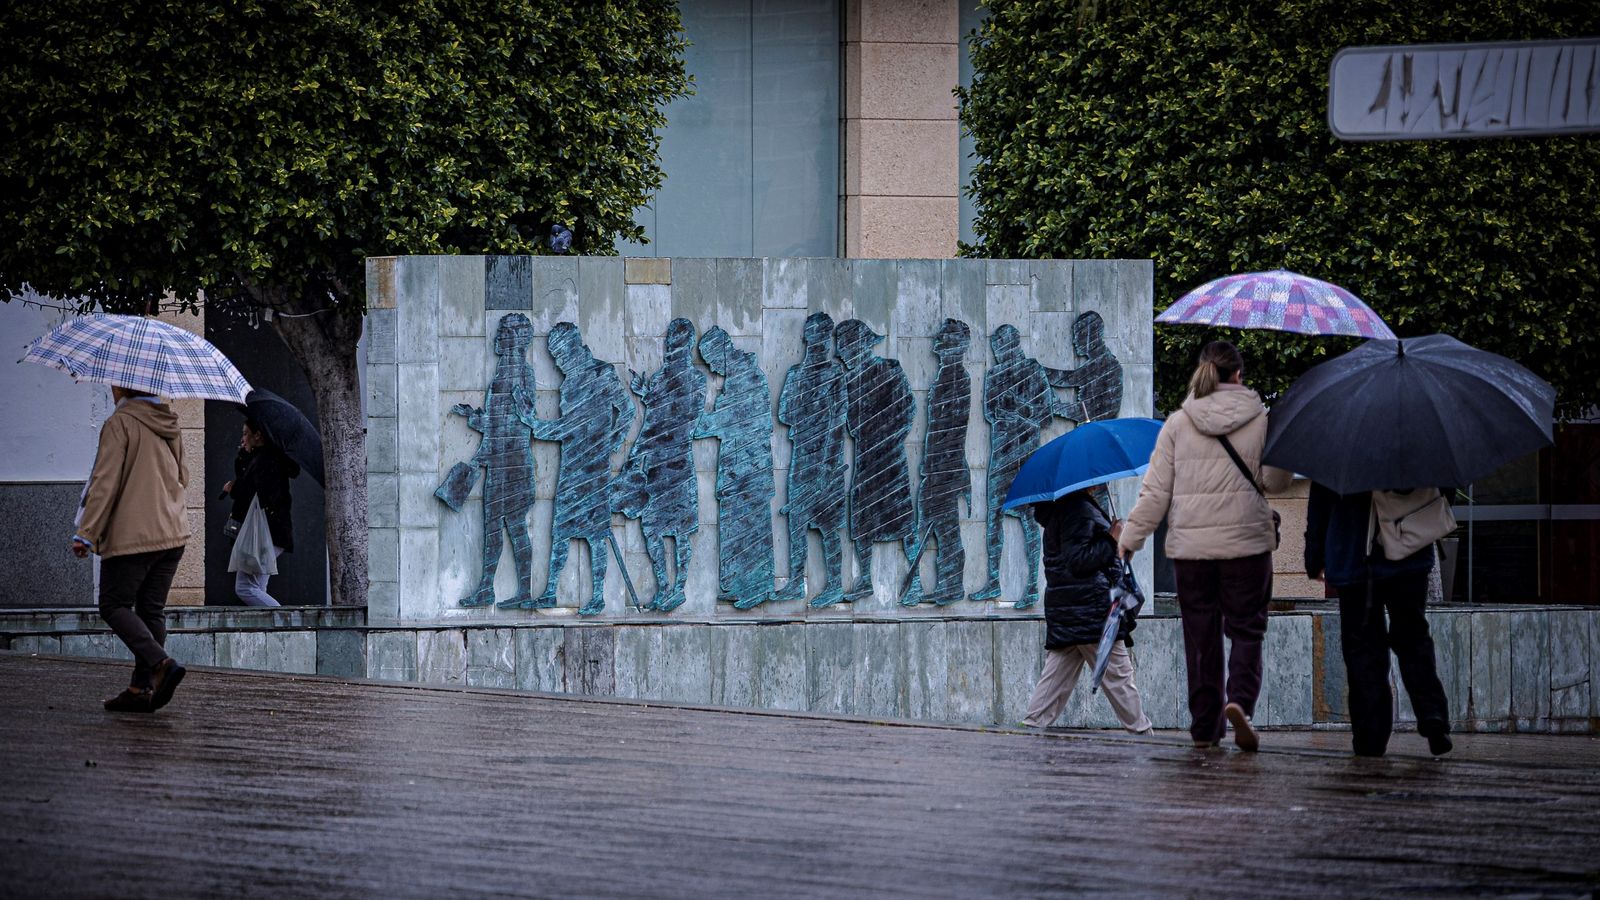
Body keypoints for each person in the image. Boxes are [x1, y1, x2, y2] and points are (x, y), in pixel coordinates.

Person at [1118, 341, 1290, 751]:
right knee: (1247, 629)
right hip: (1247, 546)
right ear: (1238, 376)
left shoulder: (1178, 424)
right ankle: (1240, 704)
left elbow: (1156, 493)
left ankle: (1204, 728)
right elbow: (1276, 483)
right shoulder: (1262, 420)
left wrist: (1130, 539)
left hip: (1191, 551)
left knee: (1201, 636)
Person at [1306, 483, 1453, 757]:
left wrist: (1314, 556)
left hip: (1354, 555)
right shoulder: (1416, 442)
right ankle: (1433, 715)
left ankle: (1370, 736)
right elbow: (1444, 486)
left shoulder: (1341, 443)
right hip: (1408, 548)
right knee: (1413, 637)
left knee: (1364, 651)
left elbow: (1321, 498)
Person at [72, 386, 190, 713]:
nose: (111, 388)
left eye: (114, 382)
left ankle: (160, 664)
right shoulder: (169, 422)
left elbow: (104, 482)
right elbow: (184, 476)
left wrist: (86, 533)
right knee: (151, 611)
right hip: (173, 534)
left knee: (113, 604)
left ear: (125, 385)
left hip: (135, 535)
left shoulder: (120, 423)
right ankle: (140, 689)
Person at [1022, 490, 1153, 733]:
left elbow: (1085, 556)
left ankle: (1028, 732)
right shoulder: (1077, 509)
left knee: (1053, 684)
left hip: (1073, 612)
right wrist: (1111, 539)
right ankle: (1145, 738)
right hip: (1092, 612)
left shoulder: (1067, 508)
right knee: (1120, 679)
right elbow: (1078, 561)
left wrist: (1117, 542)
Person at [223, 418, 298, 606]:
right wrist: (244, 457)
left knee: (246, 588)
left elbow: (253, 493)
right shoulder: (265, 458)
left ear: (258, 435)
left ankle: (285, 626)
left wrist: (234, 489)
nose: (243, 438)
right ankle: (274, 631)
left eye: (246, 433)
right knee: (257, 588)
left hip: (266, 532)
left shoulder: (266, 461)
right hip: (271, 532)